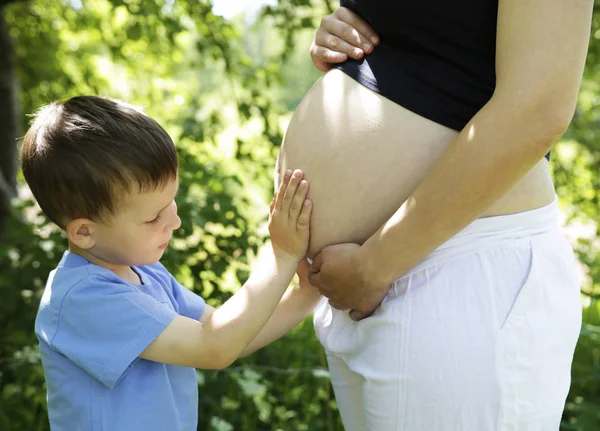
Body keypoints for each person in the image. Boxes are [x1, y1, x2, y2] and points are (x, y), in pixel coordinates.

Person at [276, 1, 593, 430]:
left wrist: (375, 266)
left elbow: (539, 107)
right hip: (364, 282)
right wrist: (343, 38)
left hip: (459, 272)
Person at [22, 96, 320, 431]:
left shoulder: (144, 272)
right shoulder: (82, 299)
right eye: (153, 218)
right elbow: (214, 348)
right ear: (85, 232)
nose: (175, 221)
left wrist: (306, 294)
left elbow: (233, 336)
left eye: (171, 201)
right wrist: (281, 257)